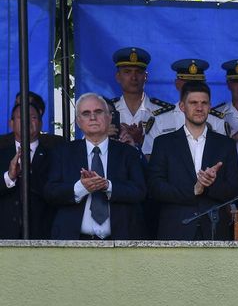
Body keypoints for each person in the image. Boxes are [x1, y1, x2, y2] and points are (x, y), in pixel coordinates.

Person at [44, 93, 146, 240]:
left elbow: (140, 191)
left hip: (121, 243)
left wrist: (108, 186)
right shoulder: (62, 152)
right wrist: (81, 187)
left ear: (109, 117)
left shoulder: (128, 152)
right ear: (78, 121)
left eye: (98, 112)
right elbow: (50, 192)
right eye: (86, 113)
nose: (93, 118)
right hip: (74, 242)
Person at [148, 81, 238, 240]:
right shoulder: (164, 143)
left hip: (214, 229)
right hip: (175, 229)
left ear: (210, 106)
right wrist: (193, 190)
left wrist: (209, 185)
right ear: (182, 106)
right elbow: (155, 188)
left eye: (204, 103)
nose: (199, 108)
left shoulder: (226, 144)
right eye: (193, 103)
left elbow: (233, 190)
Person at [142, 59, 228, 158]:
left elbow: (224, 157)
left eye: (197, 82)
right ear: (177, 84)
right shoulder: (160, 119)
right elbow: (149, 156)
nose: (192, 87)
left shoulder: (218, 121)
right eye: (187, 83)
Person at [0, 100, 55, 239]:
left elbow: (56, 193)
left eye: (33, 117)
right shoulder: (2, 154)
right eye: (20, 117)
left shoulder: (54, 154)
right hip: (5, 234)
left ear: (41, 123)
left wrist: (30, 172)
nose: (27, 121)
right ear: (11, 124)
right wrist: (9, 177)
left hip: (42, 234)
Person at [107, 47, 174, 149]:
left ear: (145, 77)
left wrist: (142, 141)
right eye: (127, 72)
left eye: (138, 72)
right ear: (118, 77)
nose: (133, 77)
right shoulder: (106, 111)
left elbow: (171, 151)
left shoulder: (164, 112)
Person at [0, 92, 64, 151]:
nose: (19, 109)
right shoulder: (2, 144)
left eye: (24, 105)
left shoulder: (56, 144)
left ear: (39, 112)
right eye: (16, 104)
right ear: (11, 123)